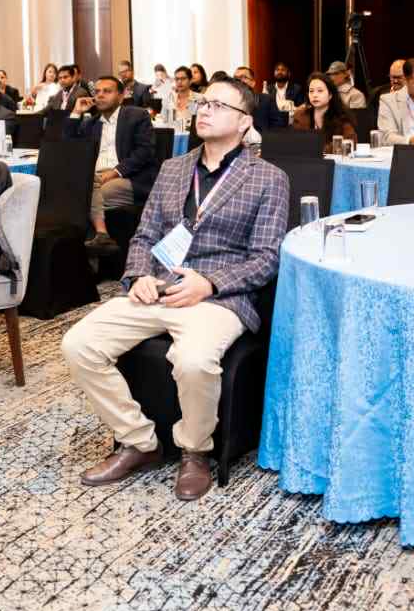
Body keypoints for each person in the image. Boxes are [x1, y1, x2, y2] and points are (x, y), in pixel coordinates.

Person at [61, 77, 289, 501]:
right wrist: (138, 276)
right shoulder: (173, 169)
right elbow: (145, 235)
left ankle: (195, 451)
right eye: (204, 103)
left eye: (219, 106)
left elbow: (267, 258)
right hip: (160, 287)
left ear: (244, 122)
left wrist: (210, 283)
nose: (206, 110)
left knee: (193, 360)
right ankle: (139, 441)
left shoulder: (268, 178)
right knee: (79, 344)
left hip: (220, 297)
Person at [68, 76, 159, 254]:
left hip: (128, 177)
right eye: (97, 92)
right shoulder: (91, 123)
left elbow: (145, 151)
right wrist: (76, 112)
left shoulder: (136, 116)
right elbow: (69, 147)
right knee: (81, 190)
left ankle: (97, 240)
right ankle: (100, 236)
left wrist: (115, 172)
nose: (100, 95)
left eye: (107, 91)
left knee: (87, 196)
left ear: (121, 95)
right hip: (95, 177)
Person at [291, 72, 358, 146]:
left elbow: (350, 142)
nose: (314, 95)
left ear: (330, 95)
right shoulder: (301, 115)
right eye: (311, 91)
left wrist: (322, 149)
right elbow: (294, 142)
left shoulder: (341, 116)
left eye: (320, 91)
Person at [234, 65, 287, 132]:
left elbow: (278, 126)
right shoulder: (228, 102)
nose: (238, 80)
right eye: (235, 78)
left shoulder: (266, 100)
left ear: (253, 83)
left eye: (243, 77)